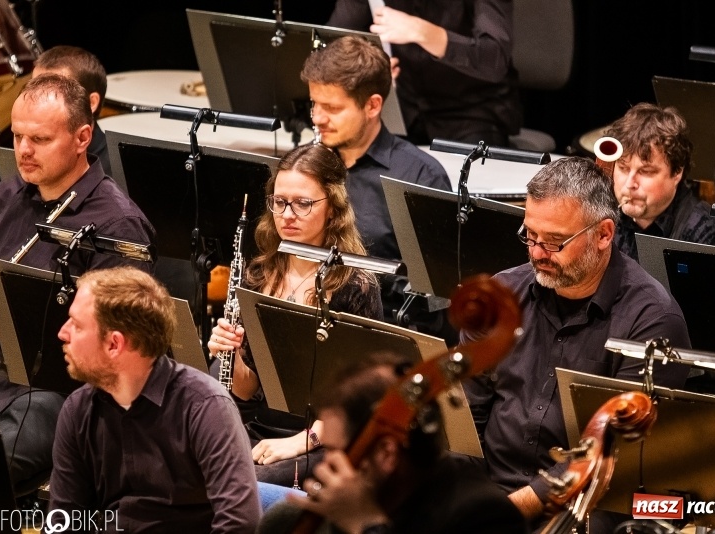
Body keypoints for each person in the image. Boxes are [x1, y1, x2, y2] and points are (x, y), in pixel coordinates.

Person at [463, 157, 692, 533]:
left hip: (587, 503)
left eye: (555, 242)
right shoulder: (501, 296)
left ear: (603, 234)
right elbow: (467, 419)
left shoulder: (653, 321)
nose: (537, 253)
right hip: (489, 494)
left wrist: (508, 511)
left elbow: (612, 455)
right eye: (530, 236)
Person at [0, 73, 155, 496]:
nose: (24, 152)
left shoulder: (117, 225)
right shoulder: (12, 193)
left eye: (41, 140)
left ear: (83, 136)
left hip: (55, 392)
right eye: (17, 137)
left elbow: (119, 349)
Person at [207, 143, 383, 486]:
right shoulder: (258, 274)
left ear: (332, 208)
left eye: (303, 203)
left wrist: (297, 444)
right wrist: (232, 354)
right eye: (279, 201)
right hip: (261, 427)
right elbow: (246, 391)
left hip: (325, 440)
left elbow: (361, 401)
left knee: (247, 486)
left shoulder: (356, 284)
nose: (287, 214)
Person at [48, 266, 260, 533]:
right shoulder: (78, 410)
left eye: (76, 325)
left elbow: (239, 523)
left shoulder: (206, 407)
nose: (63, 333)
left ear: (115, 344)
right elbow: (64, 522)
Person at [258, 352, 527, 534]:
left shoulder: (483, 516)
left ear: (387, 453)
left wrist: (364, 524)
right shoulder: (365, 499)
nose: (325, 467)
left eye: (335, 452)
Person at [300, 35, 451, 261]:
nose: (318, 118)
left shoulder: (422, 178)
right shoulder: (303, 164)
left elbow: (434, 286)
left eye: (332, 108)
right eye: (314, 104)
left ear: (372, 106)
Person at [328, 0, 522, 148]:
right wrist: (370, 67)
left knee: (461, 192)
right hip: (403, 109)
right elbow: (332, 45)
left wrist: (422, 31)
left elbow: (494, 59)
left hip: (471, 111)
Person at [607, 102, 715, 262]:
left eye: (645, 171)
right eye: (623, 168)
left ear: (677, 172)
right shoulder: (606, 217)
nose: (629, 183)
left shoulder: (704, 230)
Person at [32, 45, 112, 176]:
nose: (37, 102)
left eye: (53, 93)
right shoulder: (24, 153)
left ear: (91, 103)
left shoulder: (114, 174)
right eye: (32, 89)